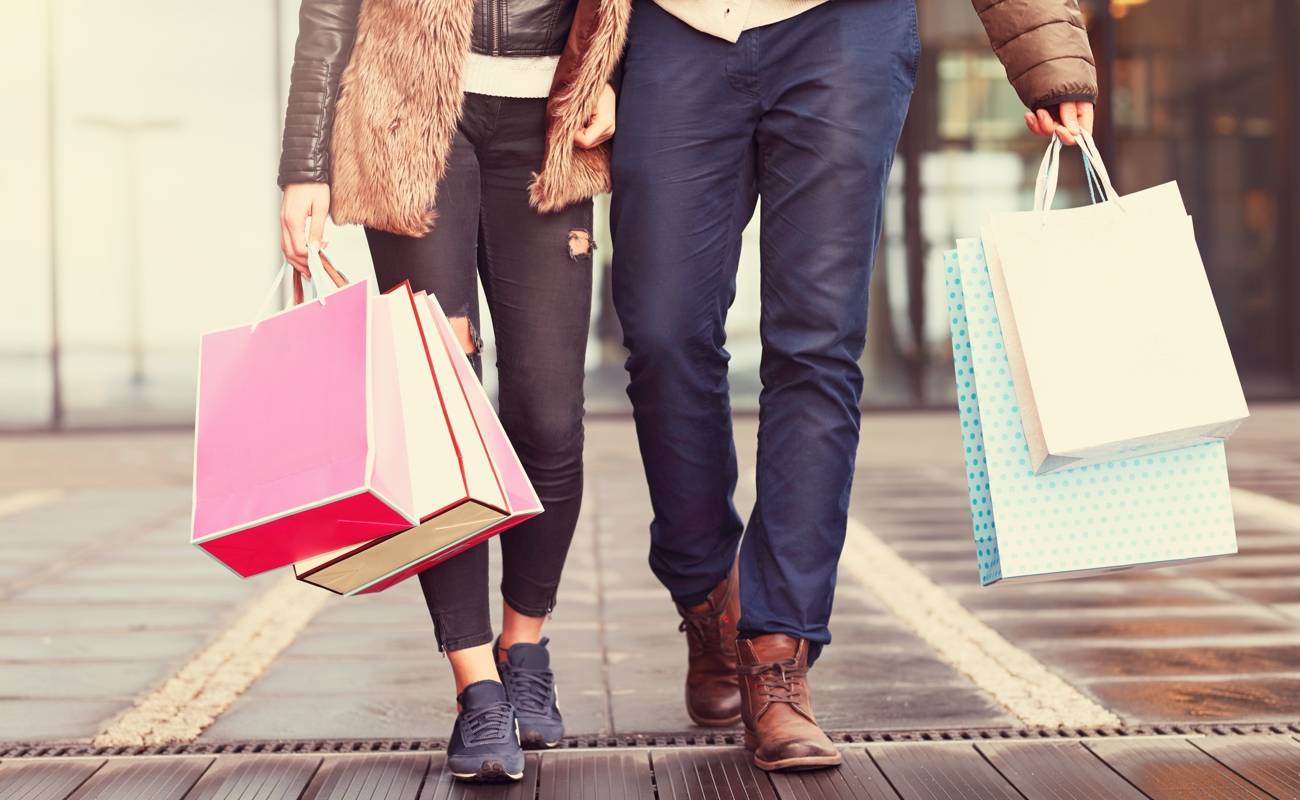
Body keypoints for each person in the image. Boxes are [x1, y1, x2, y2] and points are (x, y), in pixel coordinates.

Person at [610, 0, 1097, 771]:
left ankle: (778, 655)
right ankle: (707, 590)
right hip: (678, 28)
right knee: (662, 332)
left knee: (816, 346)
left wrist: (1050, 56)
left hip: (842, 30)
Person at [276, 0, 628, 783]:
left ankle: (525, 642)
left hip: (553, 122)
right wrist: (304, 161)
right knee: (441, 415)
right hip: (411, 114)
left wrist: (617, 79)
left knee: (547, 417)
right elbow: (329, 12)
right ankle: (477, 684)